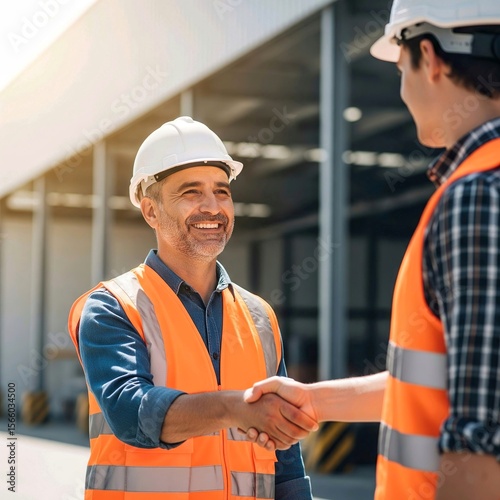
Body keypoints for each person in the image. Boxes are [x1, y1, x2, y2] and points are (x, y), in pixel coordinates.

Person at [245, 1, 500, 499]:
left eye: (401, 67)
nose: (402, 90)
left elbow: (480, 448)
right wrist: (313, 400)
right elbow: (447, 381)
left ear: (430, 58)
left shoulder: (478, 194)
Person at [67, 116, 318, 499]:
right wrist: (234, 408)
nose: (212, 207)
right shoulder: (111, 307)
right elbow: (130, 412)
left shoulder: (260, 317)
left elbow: (285, 462)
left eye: (222, 191)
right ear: (151, 211)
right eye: (191, 192)